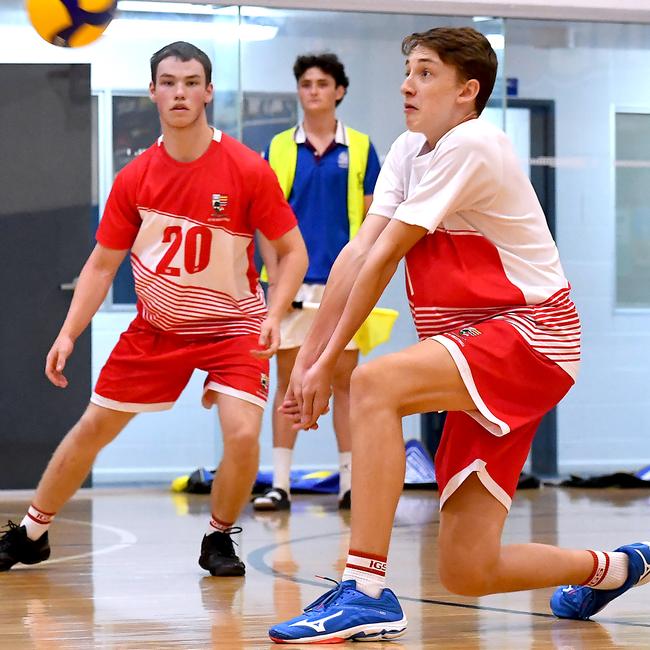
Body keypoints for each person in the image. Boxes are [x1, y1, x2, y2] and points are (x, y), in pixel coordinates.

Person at [268, 27, 650, 643]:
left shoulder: (474, 142)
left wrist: (328, 362)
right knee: (470, 567)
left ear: (467, 91)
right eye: (407, 71)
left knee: (371, 385)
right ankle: (618, 568)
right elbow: (354, 254)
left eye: (424, 73)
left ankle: (364, 590)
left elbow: (385, 256)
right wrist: (309, 361)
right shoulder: (406, 149)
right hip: (478, 350)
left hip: (529, 337)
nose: (406, 84)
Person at [0, 41, 307, 577]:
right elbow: (100, 267)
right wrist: (68, 333)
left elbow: (292, 252)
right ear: (153, 93)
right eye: (169, 82)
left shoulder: (245, 169)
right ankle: (31, 533)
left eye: (192, 82)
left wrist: (275, 312)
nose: (180, 92)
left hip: (234, 326)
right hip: (157, 327)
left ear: (208, 92)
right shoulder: (135, 178)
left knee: (240, 433)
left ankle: (218, 538)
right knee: (93, 427)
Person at [252, 53, 381, 512]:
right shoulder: (279, 148)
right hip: (291, 286)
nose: (313, 91)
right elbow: (266, 224)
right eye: (305, 83)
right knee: (288, 381)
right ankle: (280, 485)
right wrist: (274, 287)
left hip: (342, 285)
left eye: (322, 83)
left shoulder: (363, 147)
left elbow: (373, 220)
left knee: (344, 382)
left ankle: (349, 485)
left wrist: (363, 278)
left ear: (339, 91)